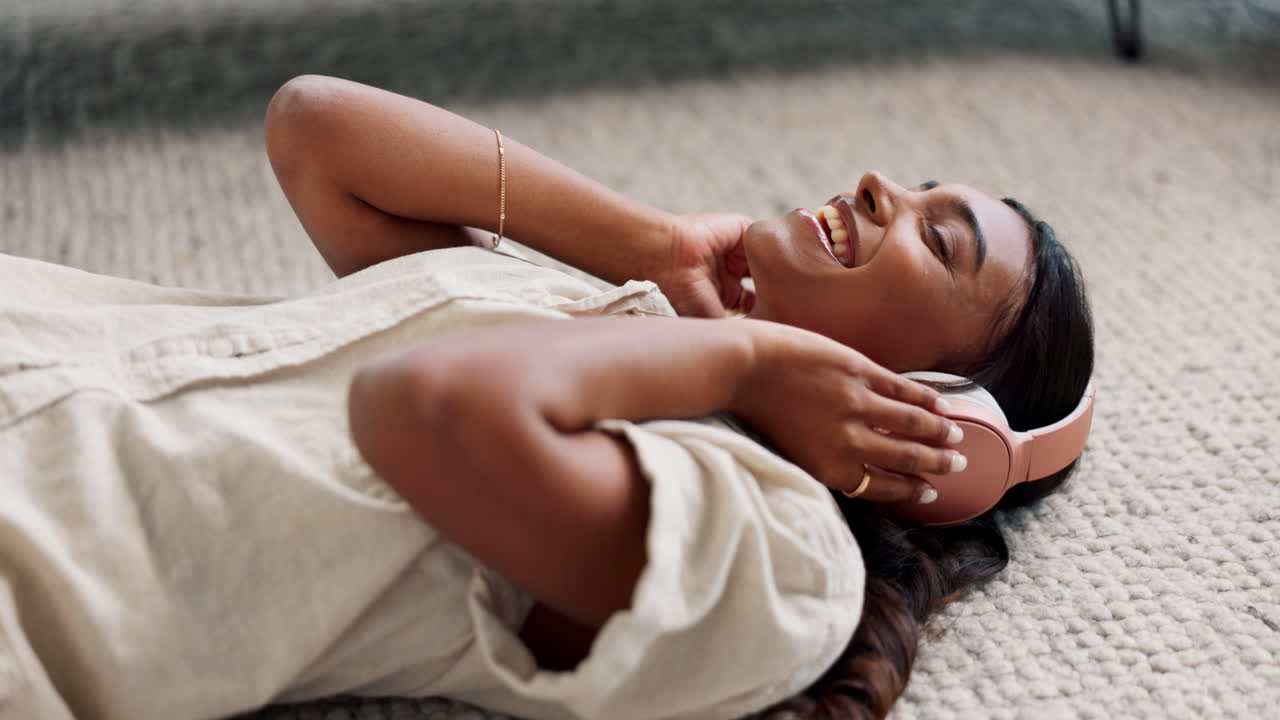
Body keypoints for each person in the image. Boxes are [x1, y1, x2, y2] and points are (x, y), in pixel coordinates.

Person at [0, 75, 1093, 720]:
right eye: (910, 184)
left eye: (932, 238)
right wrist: (647, 242)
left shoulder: (772, 550)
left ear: (934, 422)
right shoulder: (616, 331)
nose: (872, 188)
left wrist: (750, 367)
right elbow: (317, 131)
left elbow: (418, 407)